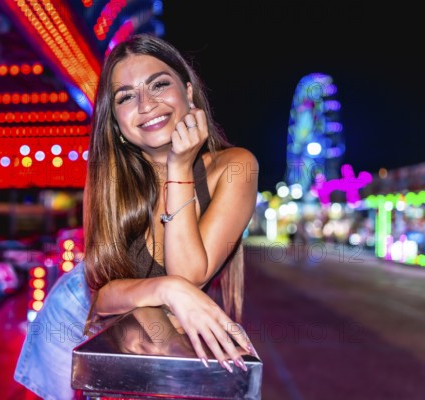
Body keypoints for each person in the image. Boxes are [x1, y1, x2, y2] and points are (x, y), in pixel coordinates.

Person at [14, 33, 259, 400]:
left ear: (188, 93)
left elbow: (187, 275)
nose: (146, 104)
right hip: (71, 318)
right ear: (116, 121)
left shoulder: (236, 166)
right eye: (126, 96)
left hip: (150, 328)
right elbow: (101, 297)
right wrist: (168, 289)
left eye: (159, 85)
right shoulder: (108, 177)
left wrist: (179, 166)